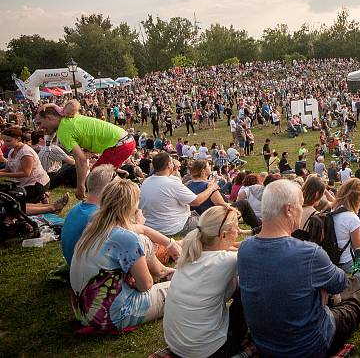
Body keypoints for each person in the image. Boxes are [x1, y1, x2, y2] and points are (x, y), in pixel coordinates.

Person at [238, 180, 360, 358]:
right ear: (289, 210)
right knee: (357, 300)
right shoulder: (309, 253)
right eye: (300, 205)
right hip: (310, 345)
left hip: (263, 342)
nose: (302, 209)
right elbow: (340, 284)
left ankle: (357, 278)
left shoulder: (245, 248)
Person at [70, 179, 171, 332]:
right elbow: (146, 285)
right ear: (131, 205)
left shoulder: (93, 227)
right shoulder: (126, 238)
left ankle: (163, 272)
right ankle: (166, 275)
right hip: (113, 316)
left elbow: (136, 231)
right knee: (182, 287)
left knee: (143, 242)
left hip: (83, 312)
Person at [163, 206, 247, 358]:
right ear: (223, 235)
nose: (239, 232)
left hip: (175, 344)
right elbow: (258, 254)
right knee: (245, 290)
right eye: (236, 228)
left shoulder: (190, 256)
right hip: (210, 350)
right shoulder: (226, 261)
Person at [35, 101, 135, 199]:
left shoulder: (63, 131)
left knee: (97, 177)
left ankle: (126, 195)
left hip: (120, 144)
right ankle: (127, 193)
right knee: (101, 176)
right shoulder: (68, 118)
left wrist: (81, 186)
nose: (38, 128)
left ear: (49, 118)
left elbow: (80, 160)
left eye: (39, 123)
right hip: (125, 141)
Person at [139, 153, 220, 236]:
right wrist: (211, 188)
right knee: (214, 221)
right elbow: (196, 201)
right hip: (173, 227)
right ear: (169, 165)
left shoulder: (147, 181)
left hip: (153, 225)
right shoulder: (171, 183)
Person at [61, 165, 115, 266]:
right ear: (108, 190)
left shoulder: (76, 208)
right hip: (87, 271)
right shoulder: (100, 216)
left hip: (73, 264)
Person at [0, 126, 52, 204]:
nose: (5, 143)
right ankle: (41, 196)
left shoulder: (26, 152)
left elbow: (26, 173)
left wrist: (1, 174)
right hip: (25, 184)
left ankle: (44, 199)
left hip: (37, 183)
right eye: (4, 141)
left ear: (18, 139)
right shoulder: (12, 151)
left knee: (16, 205)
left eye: (8, 141)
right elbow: (9, 168)